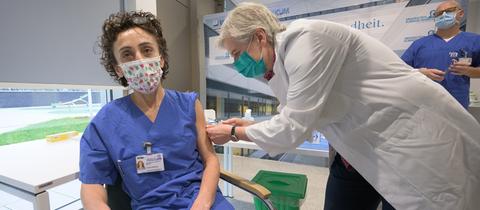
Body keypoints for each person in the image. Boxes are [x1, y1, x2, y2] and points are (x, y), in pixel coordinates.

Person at [205, 2, 480, 210]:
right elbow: (294, 114)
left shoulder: (307, 39)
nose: (236, 62)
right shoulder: (280, 65)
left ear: (260, 36)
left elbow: (293, 128)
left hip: (410, 135)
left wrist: (232, 134)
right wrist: (250, 126)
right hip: (357, 149)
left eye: (237, 53)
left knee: (427, 197)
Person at [79, 11, 233, 210]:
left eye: (147, 50)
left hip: (202, 200)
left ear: (161, 59)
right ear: (118, 69)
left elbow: (210, 159)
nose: (140, 60)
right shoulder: (105, 121)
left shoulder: (188, 104)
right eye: (127, 54)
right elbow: (91, 183)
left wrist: (201, 204)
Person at [401, 0, 480, 109]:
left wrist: (469, 71)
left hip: (456, 105)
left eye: (449, 11)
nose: (443, 15)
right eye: (439, 13)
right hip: (422, 105)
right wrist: (421, 73)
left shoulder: (474, 41)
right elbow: (401, 70)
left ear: (461, 13)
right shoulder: (419, 44)